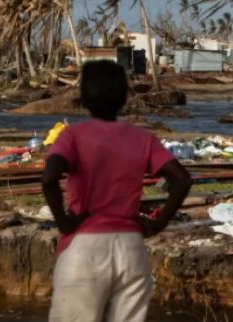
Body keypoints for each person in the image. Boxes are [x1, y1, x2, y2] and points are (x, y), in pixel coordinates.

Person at [42, 60, 192, 322]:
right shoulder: (143, 138)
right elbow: (181, 179)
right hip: (131, 248)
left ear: (83, 98)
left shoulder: (72, 136)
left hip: (84, 248)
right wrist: (158, 223)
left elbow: (49, 178)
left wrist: (64, 222)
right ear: (124, 98)